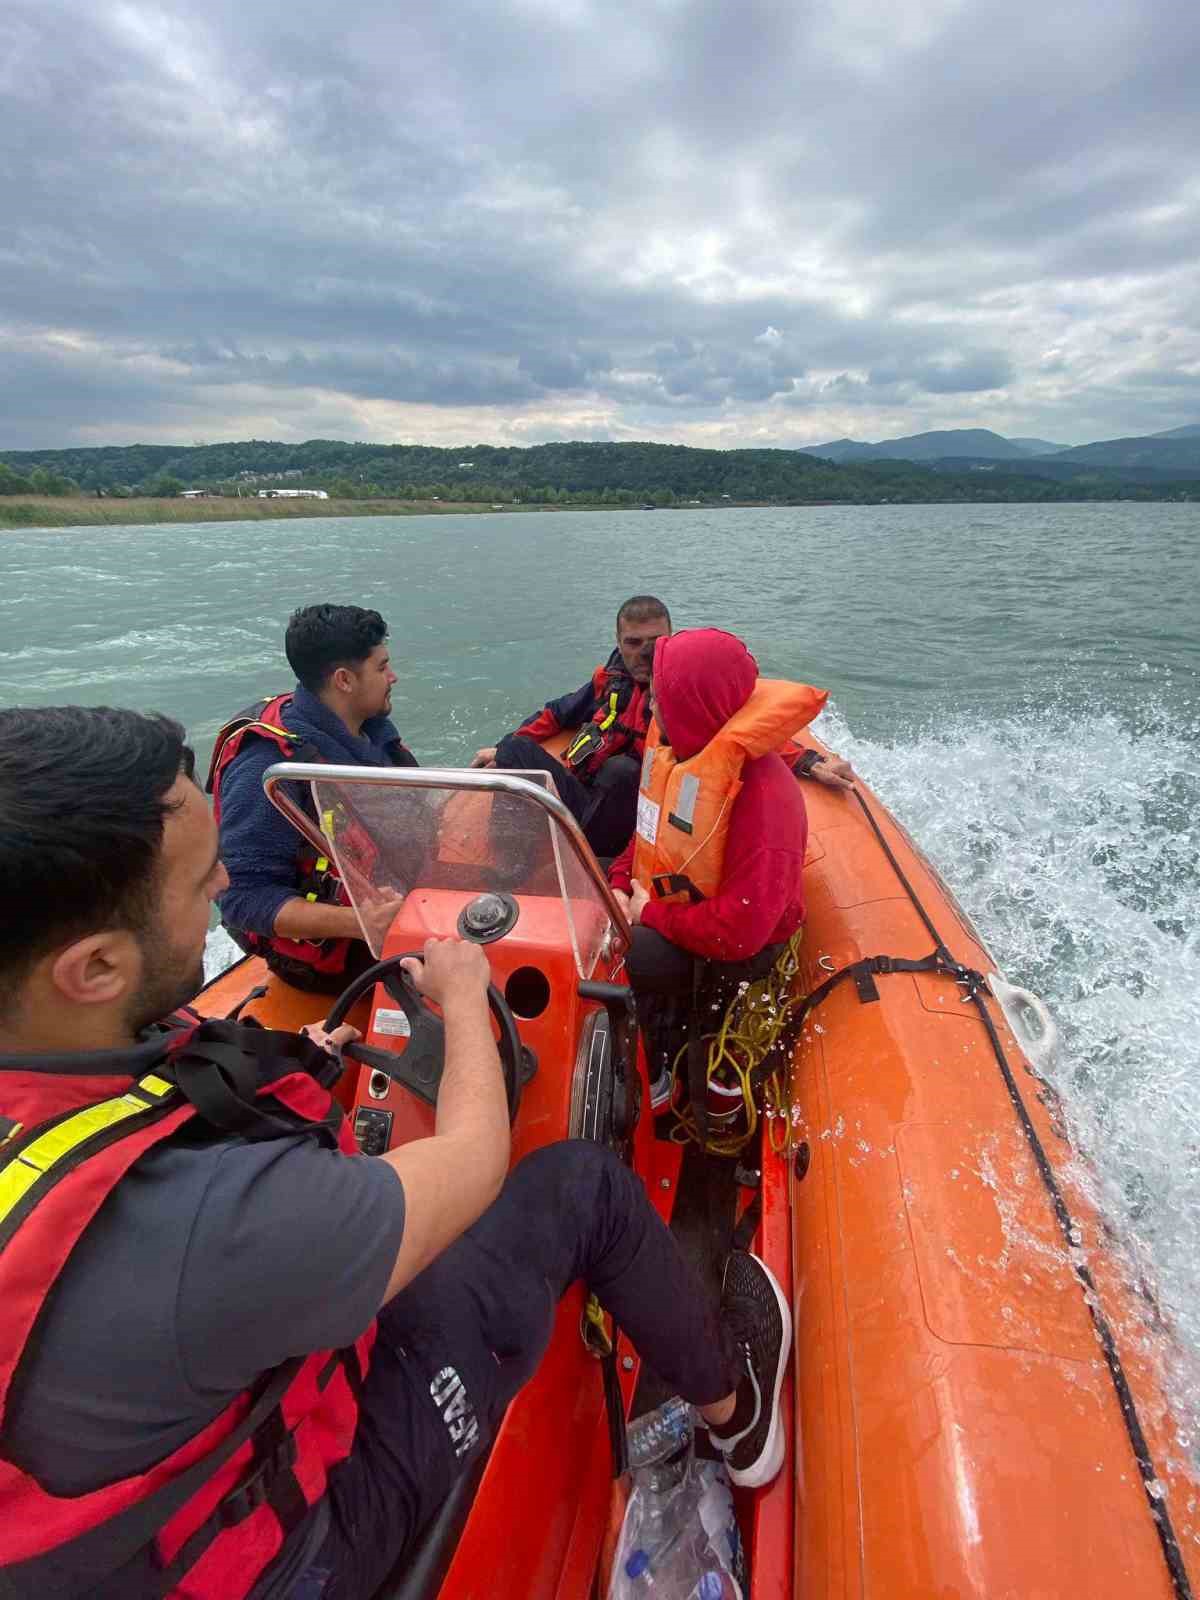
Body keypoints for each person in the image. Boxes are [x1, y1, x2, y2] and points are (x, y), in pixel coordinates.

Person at [0, 705, 792, 1600]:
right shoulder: (211, 1221)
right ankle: (739, 1414)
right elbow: (473, 1158)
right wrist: (460, 1001)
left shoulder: (66, 1061)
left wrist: (305, 1064)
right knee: (585, 1186)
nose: (228, 881)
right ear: (93, 968)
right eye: (199, 886)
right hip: (307, 1541)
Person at [608, 628, 850, 1103]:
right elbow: (643, 838)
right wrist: (618, 886)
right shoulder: (679, 759)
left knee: (624, 953)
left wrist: (647, 915)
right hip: (665, 904)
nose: (652, 711)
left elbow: (742, 930)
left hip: (732, 948)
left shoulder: (763, 801)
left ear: (694, 705)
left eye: (661, 700)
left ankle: (655, 1071)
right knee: (590, 892)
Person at [211, 604, 417, 993]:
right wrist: (361, 923)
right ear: (344, 680)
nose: (393, 677)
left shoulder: (365, 729)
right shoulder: (269, 766)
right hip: (338, 948)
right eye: (381, 667)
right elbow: (240, 898)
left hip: (397, 894)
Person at [471, 595, 671, 857]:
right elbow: (558, 713)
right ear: (619, 644)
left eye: (656, 643)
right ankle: (505, 860)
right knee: (514, 747)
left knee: (621, 770)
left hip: (638, 816)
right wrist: (502, 752)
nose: (645, 654)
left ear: (671, 638)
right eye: (633, 643)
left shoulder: (681, 691)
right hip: (589, 801)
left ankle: (580, 858)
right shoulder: (612, 681)